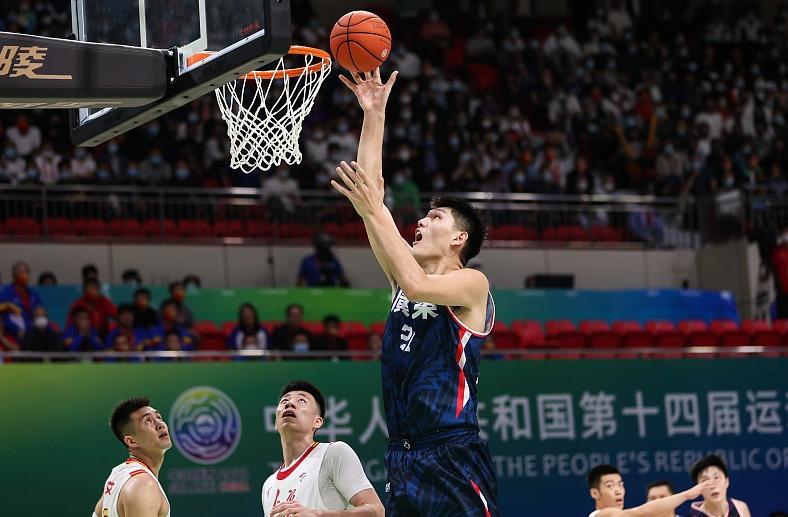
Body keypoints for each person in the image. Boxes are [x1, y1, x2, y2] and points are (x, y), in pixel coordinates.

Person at [335, 68, 498, 515]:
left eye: (436, 218)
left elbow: (418, 284)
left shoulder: (473, 284)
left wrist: (373, 210)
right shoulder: (402, 275)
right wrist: (374, 114)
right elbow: (372, 196)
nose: (422, 221)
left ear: (459, 239)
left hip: (452, 453)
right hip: (402, 456)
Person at [262, 381, 383, 517]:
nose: (289, 403)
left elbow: (377, 511)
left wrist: (317, 515)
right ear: (276, 423)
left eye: (301, 400)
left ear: (317, 421)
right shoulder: (269, 485)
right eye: (285, 400)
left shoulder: (333, 453)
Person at [92, 398, 171, 517]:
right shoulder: (144, 486)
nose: (160, 424)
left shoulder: (118, 474)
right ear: (132, 441)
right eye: (148, 421)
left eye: (158, 417)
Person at [588, 465, 711, 517]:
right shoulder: (600, 515)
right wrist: (687, 495)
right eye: (610, 486)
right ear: (595, 493)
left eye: (620, 485)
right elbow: (641, 512)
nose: (618, 491)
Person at [0, 261, 44, 339]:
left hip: (33, 331)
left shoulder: (34, 294)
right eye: (20, 271)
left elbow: (40, 312)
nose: (24, 274)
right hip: (13, 332)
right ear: (14, 274)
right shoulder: (5, 293)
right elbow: (5, 317)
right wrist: (17, 330)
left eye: (26, 271)